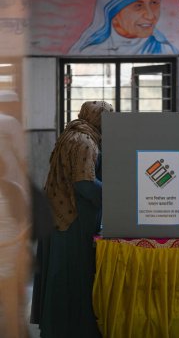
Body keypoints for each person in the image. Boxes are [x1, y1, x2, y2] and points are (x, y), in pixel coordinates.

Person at [39, 101, 113, 338]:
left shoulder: (72, 133)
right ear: (98, 119)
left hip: (57, 215)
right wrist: (117, 194)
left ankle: (59, 328)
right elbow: (84, 183)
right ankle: (73, 330)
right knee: (73, 274)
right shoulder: (85, 142)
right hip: (72, 218)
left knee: (60, 275)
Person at [68, 0, 178, 55]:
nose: (150, 16)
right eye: (138, 6)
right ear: (114, 13)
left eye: (154, 3)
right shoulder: (89, 53)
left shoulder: (164, 50)